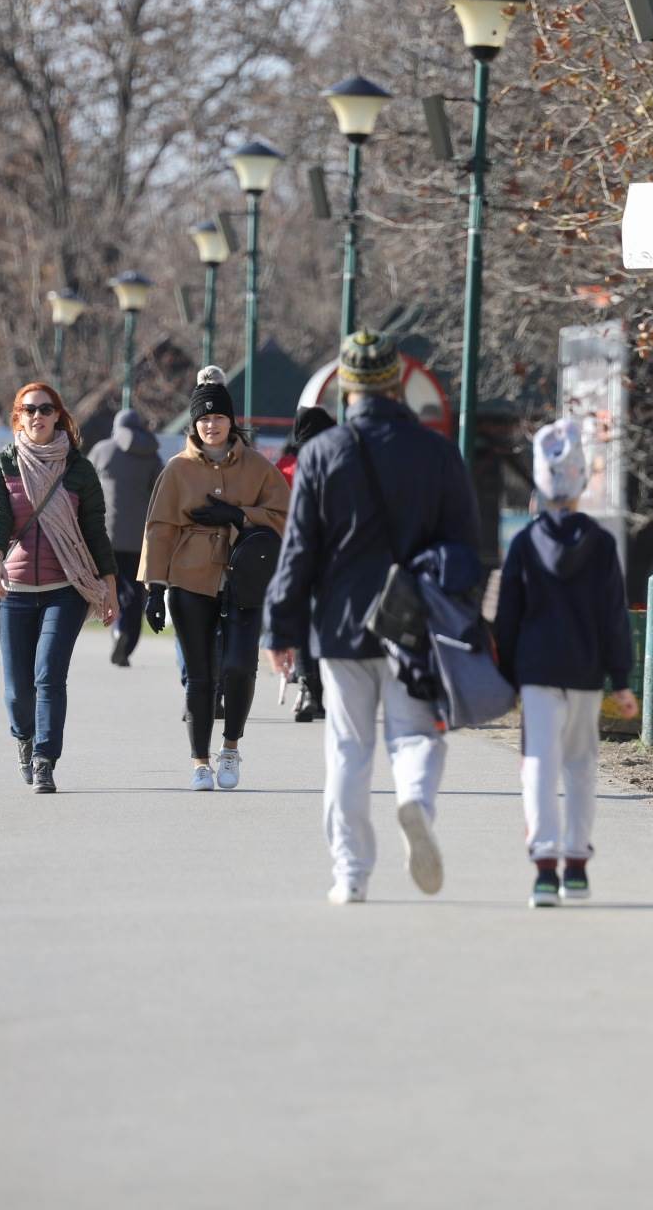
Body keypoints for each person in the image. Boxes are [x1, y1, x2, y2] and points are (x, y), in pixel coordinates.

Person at [263, 330, 482, 905]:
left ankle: (351, 874)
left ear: (347, 387)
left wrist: (280, 629)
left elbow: (298, 551)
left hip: (341, 625)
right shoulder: (437, 453)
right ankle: (415, 800)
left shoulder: (321, 453)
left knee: (348, 749)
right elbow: (467, 547)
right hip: (414, 622)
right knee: (415, 735)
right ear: (395, 383)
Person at [493, 418, 637, 908]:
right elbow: (613, 616)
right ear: (580, 484)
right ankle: (576, 865)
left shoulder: (524, 544)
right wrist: (621, 679)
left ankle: (543, 868)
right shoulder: (601, 545)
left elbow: (508, 617)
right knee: (580, 766)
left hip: (536, 673)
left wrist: (506, 674)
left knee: (538, 763)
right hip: (585, 672)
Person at [140, 369, 289, 792]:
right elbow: (159, 528)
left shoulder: (259, 467)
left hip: (246, 579)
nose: (211, 425)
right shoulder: (177, 469)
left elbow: (284, 516)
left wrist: (240, 515)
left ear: (230, 421)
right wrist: (154, 588)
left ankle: (231, 747)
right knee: (200, 674)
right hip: (190, 579)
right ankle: (200, 762)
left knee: (240, 666)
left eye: (218, 417)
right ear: (194, 424)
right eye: (203, 418)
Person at [0, 383, 119, 794]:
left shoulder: (78, 469)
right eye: (29, 410)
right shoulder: (4, 463)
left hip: (66, 588)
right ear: (18, 416)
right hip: (15, 590)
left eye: (45, 409)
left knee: (49, 676)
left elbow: (95, 531)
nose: (37, 416)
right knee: (17, 690)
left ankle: (45, 760)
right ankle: (24, 740)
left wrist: (109, 588)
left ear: (58, 414)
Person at [88, 407, 165, 668]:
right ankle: (127, 639)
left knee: (112, 586)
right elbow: (161, 491)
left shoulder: (102, 450)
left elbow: (84, 486)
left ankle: (117, 629)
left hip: (106, 534)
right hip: (140, 538)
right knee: (134, 592)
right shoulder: (152, 455)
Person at [278, 404, 336, 723]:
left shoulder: (286, 466)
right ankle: (323, 690)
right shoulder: (341, 460)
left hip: (296, 554)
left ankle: (309, 688)